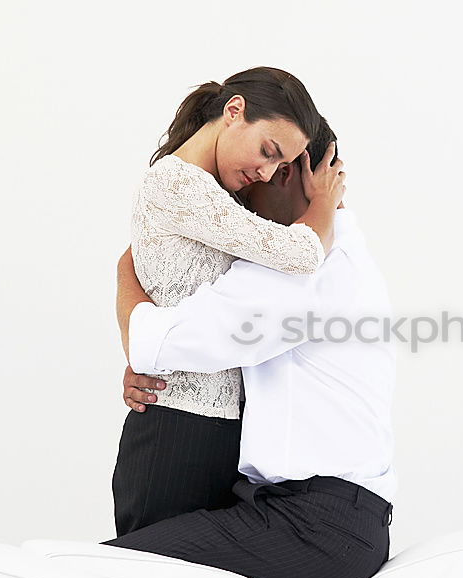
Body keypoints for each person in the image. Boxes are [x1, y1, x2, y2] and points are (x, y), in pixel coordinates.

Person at [105, 128, 397, 578]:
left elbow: (161, 342)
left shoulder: (306, 269)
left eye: (259, 172)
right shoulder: (337, 253)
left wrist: (126, 268)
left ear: (290, 173)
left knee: (108, 570)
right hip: (304, 513)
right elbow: (198, 342)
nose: (241, 198)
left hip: (318, 526)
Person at [113, 66, 347, 536]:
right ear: (233, 112)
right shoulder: (178, 183)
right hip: (177, 428)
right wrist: (322, 201)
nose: (265, 172)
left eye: (279, 167)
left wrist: (138, 342)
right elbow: (301, 254)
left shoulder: (220, 196)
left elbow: (135, 264)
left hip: (221, 430)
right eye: (267, 151)